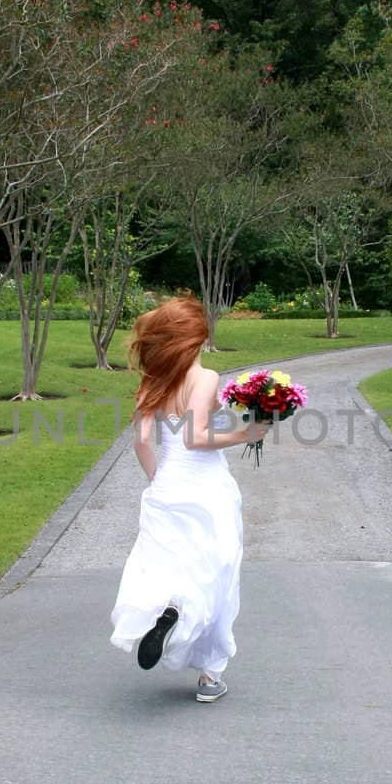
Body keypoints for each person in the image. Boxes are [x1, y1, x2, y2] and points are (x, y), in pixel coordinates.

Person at [110, 295, 270, 703]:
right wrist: (245, 435)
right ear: (196, 339)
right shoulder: (205, 378)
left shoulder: (153, 381)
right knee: (216, 572)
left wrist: (157, 481)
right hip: (207, 489)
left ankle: (170, 612)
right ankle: (210, 677)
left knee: (169, 565)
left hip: (167, 486)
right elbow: (197, 438)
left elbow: (142, 441)